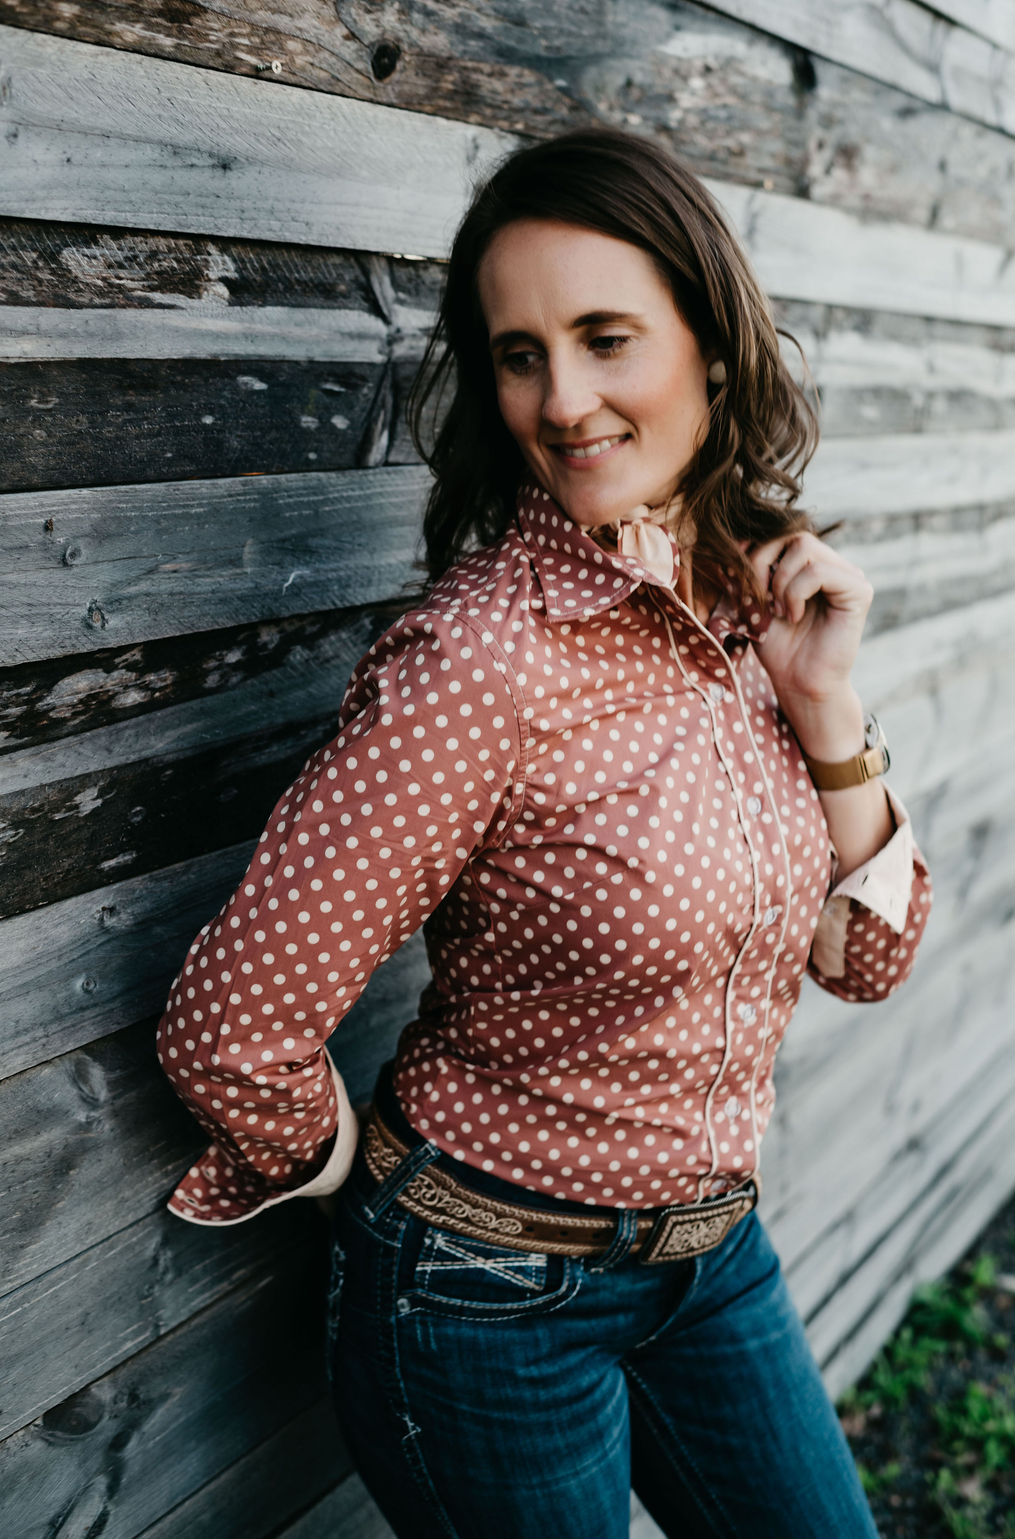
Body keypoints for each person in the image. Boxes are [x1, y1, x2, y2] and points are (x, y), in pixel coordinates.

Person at [156, 128, 932, 1538]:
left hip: (713, 1261)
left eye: (604, 338)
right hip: (484, 1304)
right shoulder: (484, 663)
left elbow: (868, 962)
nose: (562, 400)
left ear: (711, 341)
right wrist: (376, 1199)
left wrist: (826, 708)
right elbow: (233, 1024)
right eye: (520, 354)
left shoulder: (751, 614)